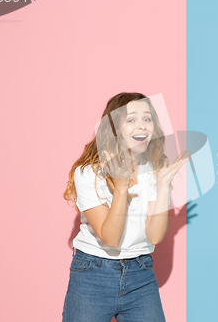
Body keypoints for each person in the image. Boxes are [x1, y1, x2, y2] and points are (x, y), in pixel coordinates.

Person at [62, 92, 190, 322]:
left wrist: (163, 187)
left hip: (140, 273)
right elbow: (111, 239)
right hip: (93, 274)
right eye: (131, 120)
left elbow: (155, 235)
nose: (142, 126)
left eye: (147, 118)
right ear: (113, 128)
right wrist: (121, 188)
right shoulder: (89, 173)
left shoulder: (153, 167)